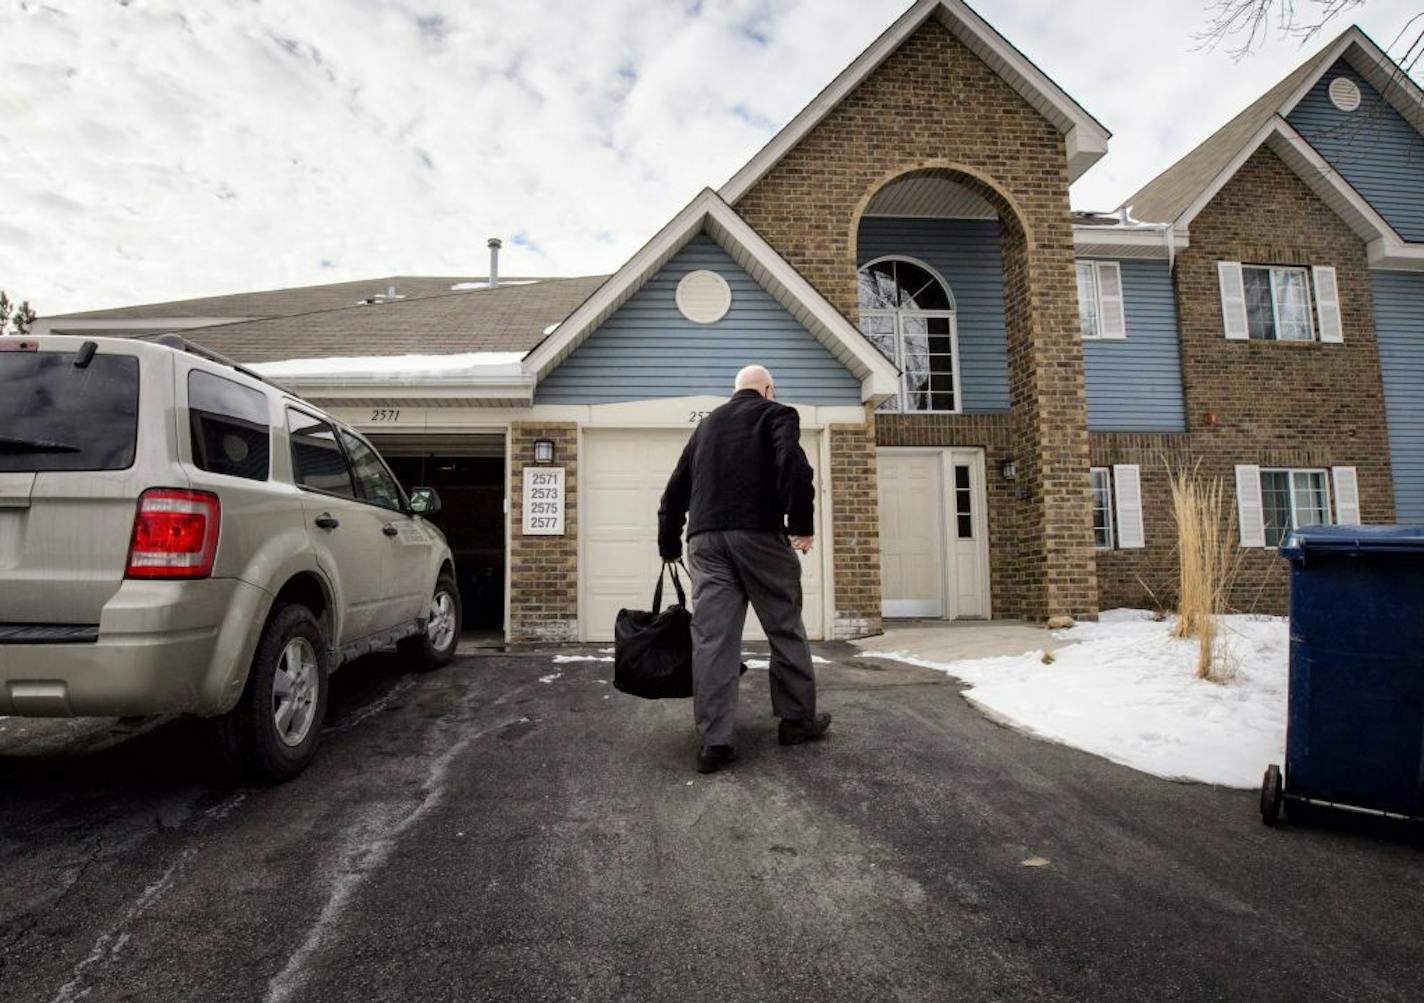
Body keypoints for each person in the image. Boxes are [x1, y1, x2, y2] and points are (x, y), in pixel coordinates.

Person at [657, 364, 832, 774]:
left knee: (713, 641)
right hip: (758, 536)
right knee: (784, 625)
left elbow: (675, 489)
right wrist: (801, 526)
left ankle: (714, 744)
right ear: (768, 389)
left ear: (736, 390)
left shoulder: (707, 426)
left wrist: (668, 545)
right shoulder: (778, 414)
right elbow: (794, 465)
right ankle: (795, 722)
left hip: (705, 540)